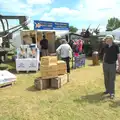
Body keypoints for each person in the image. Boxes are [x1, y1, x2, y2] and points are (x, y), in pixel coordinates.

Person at [103, 35, 120, 99]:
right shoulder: (106, 46)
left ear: (110, 39)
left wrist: (119, 66)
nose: (105, 41)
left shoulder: (116, 46)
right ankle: (107, 90)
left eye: (106, 39)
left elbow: (118, 56)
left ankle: (112, 93)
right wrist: (103, 63)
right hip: (105, 64)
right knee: (106, 78)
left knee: (112, 79)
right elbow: (105, 54)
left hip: (112, 64)